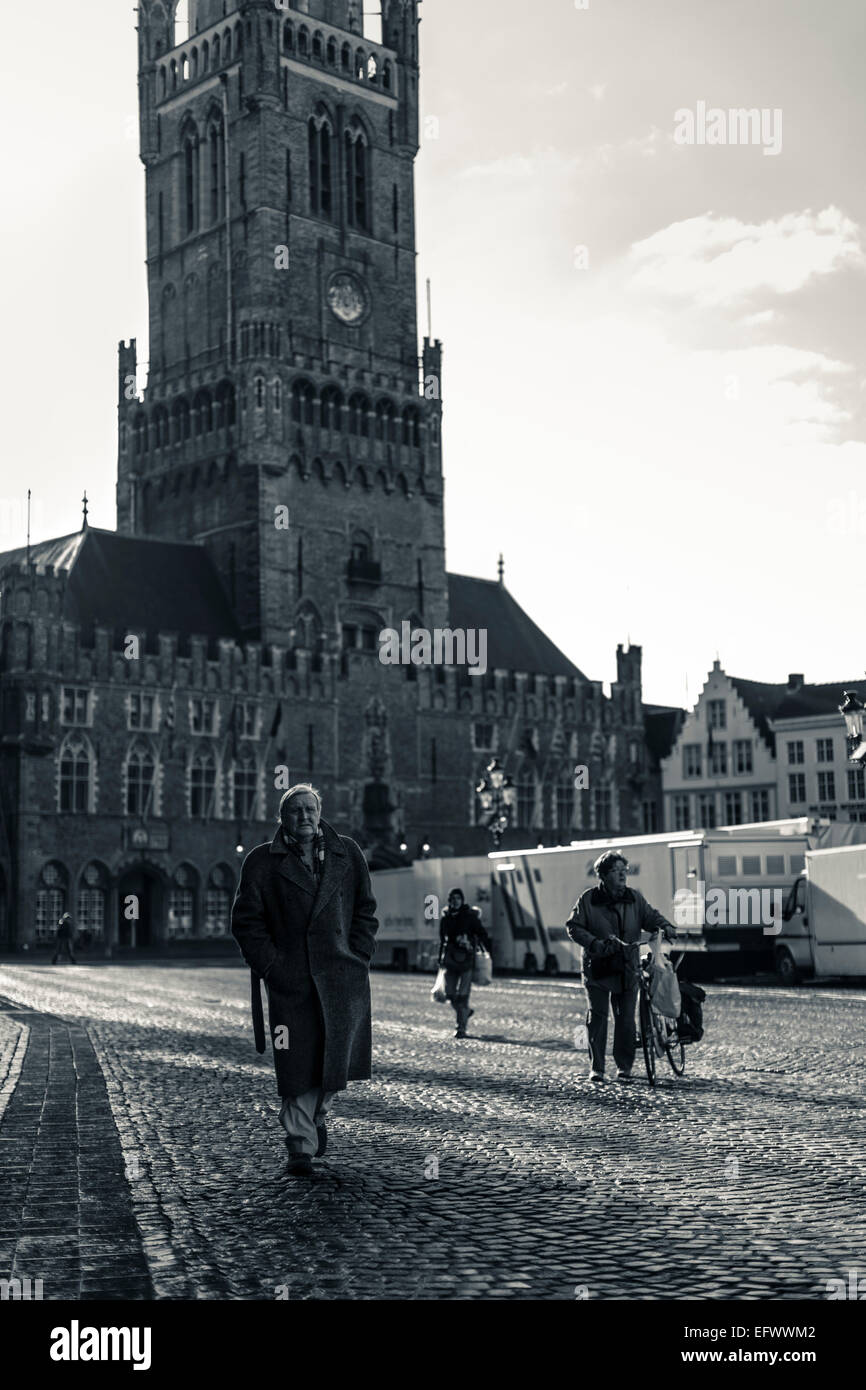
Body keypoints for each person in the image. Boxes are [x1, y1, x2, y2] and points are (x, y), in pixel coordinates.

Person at [231, 784, 379, 1178]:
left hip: (341, 977)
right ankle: (299, 1144)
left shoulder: (347, 853)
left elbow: (366, 909)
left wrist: (359, 955)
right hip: (292, 980)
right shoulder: (262, 862)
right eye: (295, 810)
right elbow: (247, 922)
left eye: (310, 809)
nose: (304, 817)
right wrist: (273, 967)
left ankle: (316, 1118)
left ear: (320, 811)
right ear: (283, 817)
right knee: (297, 1063)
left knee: (335, 1063)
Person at [566, 851, 674, 1084]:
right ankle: (597, 1068)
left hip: (627, 967)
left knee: (626, 1019)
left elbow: (650, 917)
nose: (623, 874)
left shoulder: (634, 898)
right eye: (616, 871)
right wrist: (594, 943)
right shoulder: (588, 899)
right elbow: (573, 926)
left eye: (624, 870)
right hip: (598, 966)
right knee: (598, 1017)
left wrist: (666, 926)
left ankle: (624, 1067)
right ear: (603, 875)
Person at [438, 889, 493, 1039]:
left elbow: (483, 934)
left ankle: (460, 1028)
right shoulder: (445, 918)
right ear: (449, 901)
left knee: (463, 995)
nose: (455, 901)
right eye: (453, 898)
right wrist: (440, 958)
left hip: (467, 960)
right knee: (449, 993)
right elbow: (442, 940)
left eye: (458, 898)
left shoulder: (470, 917)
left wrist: (471, 941)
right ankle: (466, 1012)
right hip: (449, 959)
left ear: (462, 900)